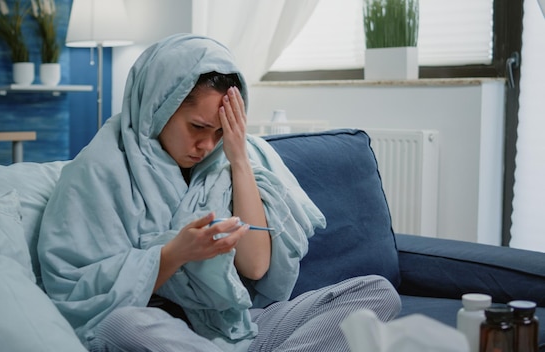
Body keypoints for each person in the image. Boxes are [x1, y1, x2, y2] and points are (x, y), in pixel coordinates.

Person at [37, 33, 401, 352]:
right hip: (164, 331)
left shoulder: (225, 163)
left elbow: (256, 267)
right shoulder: (97, 171)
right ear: (157, 107)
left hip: (236, 331)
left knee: (374, 293)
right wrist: (176, 253)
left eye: (219, 132)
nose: (205, 145)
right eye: (198, 127)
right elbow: (79, 293)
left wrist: (239, 158)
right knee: (122, 325)